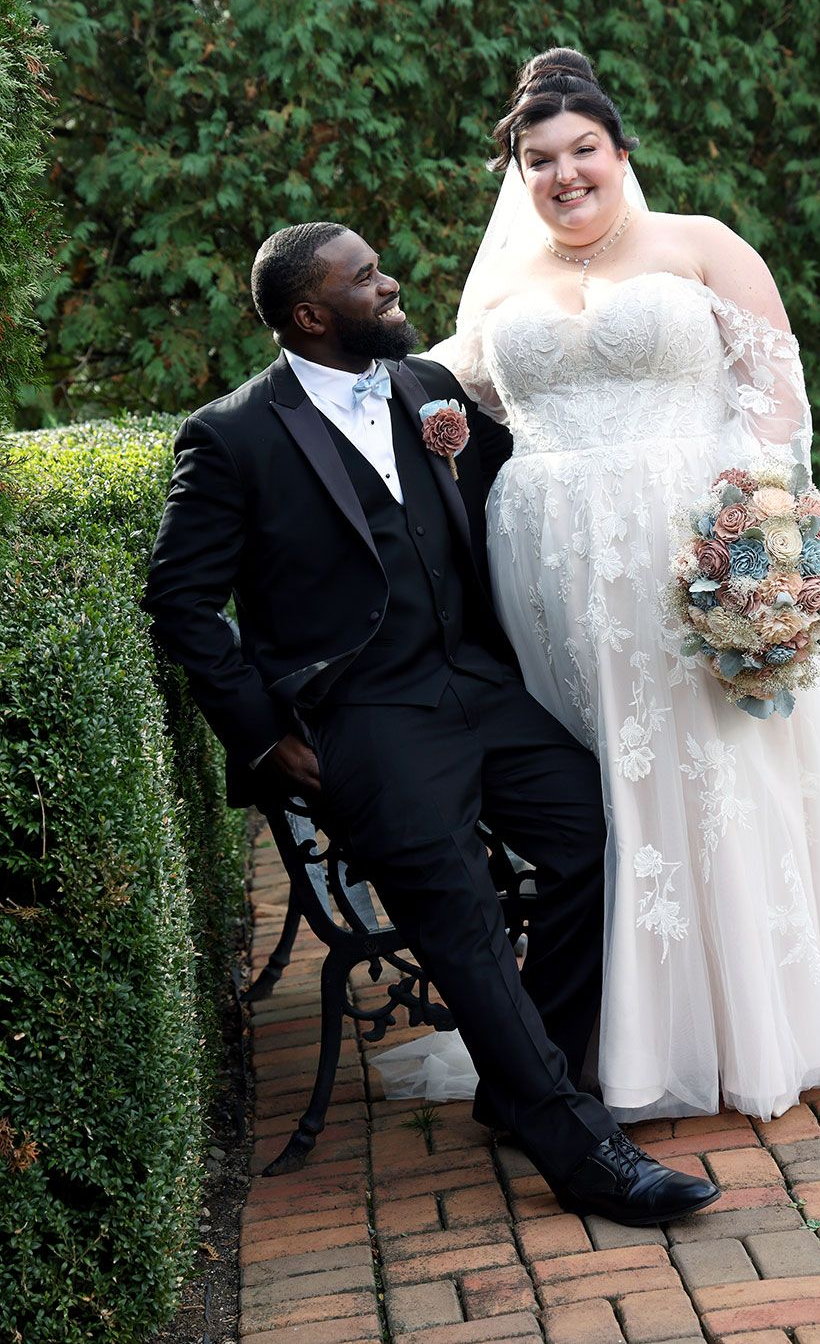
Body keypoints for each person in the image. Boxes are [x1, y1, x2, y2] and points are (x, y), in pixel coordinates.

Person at [391, 48, 820, 1123]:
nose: (564, 174)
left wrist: (755, 541)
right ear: (517, 174)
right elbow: (468, 387)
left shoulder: (699, 245)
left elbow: (775, 396)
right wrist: (433, 418)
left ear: (621, 152)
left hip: (692, 553)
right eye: (540, 160)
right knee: (609, 790)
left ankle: (761, 1021)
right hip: (549, 566)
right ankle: (617, 1022)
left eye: (583, 150)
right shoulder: (503, 283)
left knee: (717, 771)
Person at [141, 220, 721, 1225]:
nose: (391, 282)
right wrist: (263, 735)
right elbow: (180, 602)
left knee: (599, 838)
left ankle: (515, 1081)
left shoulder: (422, 391)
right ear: (312, 315)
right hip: (365, 717)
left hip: (474, 685)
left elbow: (524, 491)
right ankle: (583, 1154)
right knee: (460, 915)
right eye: (366, 278)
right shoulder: (230, 435)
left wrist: (487, 456)